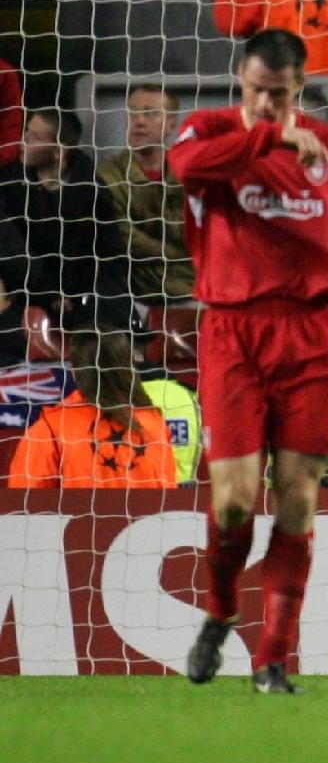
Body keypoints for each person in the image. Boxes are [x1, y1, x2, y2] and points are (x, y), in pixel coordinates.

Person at [176, 29, 328, 695]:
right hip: (233, 335)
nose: (268, 102)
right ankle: (221, 611)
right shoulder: (211, 131)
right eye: (256, 91)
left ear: (299, 88)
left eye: (280, 95)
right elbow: (185, 168)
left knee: (299, 500)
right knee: (232, 504)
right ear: (240, 82)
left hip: (312, 335)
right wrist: (267, 137)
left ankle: (272, 659)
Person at [0, 109, 131, 330]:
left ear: (58, 152)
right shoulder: (10, 184)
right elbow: (11, 248)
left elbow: (109, 258)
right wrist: (49, 291)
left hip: (80, 301)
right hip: (27, 292)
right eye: (26, 133)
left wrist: (77, 296)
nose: (23, 142)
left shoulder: (92, 194)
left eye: (34, 138)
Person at [6, 330, 176, 489]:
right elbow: (167, 497)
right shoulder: (155, 424)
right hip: (143, 520)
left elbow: (25, 505)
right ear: (129, 366)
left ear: (75, 371)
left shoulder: (50, 429)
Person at [97, 84, 195, 307]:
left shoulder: (189, 174)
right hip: (134, 291)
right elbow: (124, 237)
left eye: (150, 113)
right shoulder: (107, 176)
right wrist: (177, 254)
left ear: (171, 124)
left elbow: (197, 233)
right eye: (133, 112)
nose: (138, 121)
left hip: (191, 287)